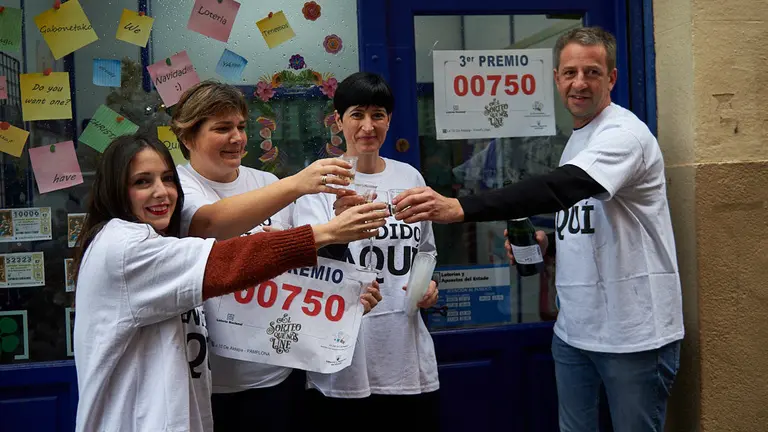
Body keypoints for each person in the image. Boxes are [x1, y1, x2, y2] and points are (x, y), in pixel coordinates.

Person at [392, 27, 683, 431]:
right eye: (570, 72)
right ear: (556, 78)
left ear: (612, 78)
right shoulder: (581, 138)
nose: (580, 83)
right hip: (574, 332)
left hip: (633, 336)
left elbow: (560, 188)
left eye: (593, 72)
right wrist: (550, 245)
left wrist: (460, 207)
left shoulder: (624, 135)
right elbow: (594, 221)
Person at [72, 133, 387, 432]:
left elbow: (255, 290)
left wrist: (340, 300)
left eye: (167, 179)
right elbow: (227, 262)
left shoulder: (157, 240)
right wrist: (326, 232)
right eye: (142, 182)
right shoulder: (124, 246)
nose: (161, 192)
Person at [170, 81, 383, 432]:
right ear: (187, 137)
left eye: (241, 126)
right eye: (222, 128)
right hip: (208, 382)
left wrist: (348, 294)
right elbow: (207, 223)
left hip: (277, 374)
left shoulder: (265, 182)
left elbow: (304, 265)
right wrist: (298, 183)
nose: (237, 138)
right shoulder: (176, 187)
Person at [293, 71, 441, 432]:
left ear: (389, 120)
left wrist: (428, 284)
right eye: (357, 114)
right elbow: (305, 265)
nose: (367, 126)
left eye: (378, 115)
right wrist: (340, 228)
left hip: (404, 356)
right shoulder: (320, 182)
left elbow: (425, 251)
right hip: (342, 359)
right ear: (338, 120)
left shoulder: (410, 178)